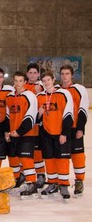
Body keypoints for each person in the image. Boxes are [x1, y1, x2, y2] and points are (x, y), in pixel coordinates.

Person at [37, 71, 73, 200]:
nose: (46, 82)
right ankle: (52, 183)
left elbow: (68, 115)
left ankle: (63, 184)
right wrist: (39, 114)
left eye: (48, 80)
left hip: (60, 133)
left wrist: (64, 133)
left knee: (62, 160)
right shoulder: (40, 96)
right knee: (49, 159)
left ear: (53, 80)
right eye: (44, 80)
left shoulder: (63, 94)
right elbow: (36, 120)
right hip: (46, 134)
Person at [5, 71, 38, 199]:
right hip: (13, 133)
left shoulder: (30, 95)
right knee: (13, 158)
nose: (18, 83)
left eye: (20, 81)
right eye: (16, 81)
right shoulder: (10, 96)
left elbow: (31, 116)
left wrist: (19, 132)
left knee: (26, 159)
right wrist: (8, 132)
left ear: (25, 82)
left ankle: (32, 184)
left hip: (27, 133)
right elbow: (8, 116)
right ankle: (17, 180)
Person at [60, 64, 89, 196]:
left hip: (75, 128)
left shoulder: (79, 89)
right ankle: (63, 182)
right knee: (63, 157)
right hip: (62, 131)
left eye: (67, 74)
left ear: (72, 75)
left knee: (77, 156)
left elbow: (83, 109)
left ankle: (79, 181)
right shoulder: (57, 90)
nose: (65, 76)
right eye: (62, 74)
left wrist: (80, 128)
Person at [25, 63, 46, 188]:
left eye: (35, 73)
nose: (32, 75)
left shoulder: (43, 86)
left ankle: (41, 174)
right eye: (30, 73)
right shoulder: (22, 85)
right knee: (25, 151)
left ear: (38, 74)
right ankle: (24, 173)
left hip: (38, 125)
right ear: (27, 74)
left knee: (37, 151)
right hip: (25, 124)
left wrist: (41, 91)